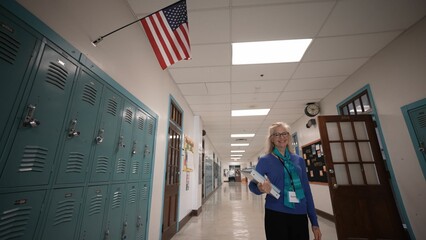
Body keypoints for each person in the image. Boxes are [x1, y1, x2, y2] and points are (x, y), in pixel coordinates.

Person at [249, 122, 322, 240]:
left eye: (284, 134)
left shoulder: (298, 160)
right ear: (272, 139)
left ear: (288, 136)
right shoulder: (265, 160)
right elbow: (252, 185)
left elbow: (307, 191)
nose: (281, 137)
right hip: (276, 213)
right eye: (276, 135)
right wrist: (260, 188)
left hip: (299, 212)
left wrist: (314, 222)